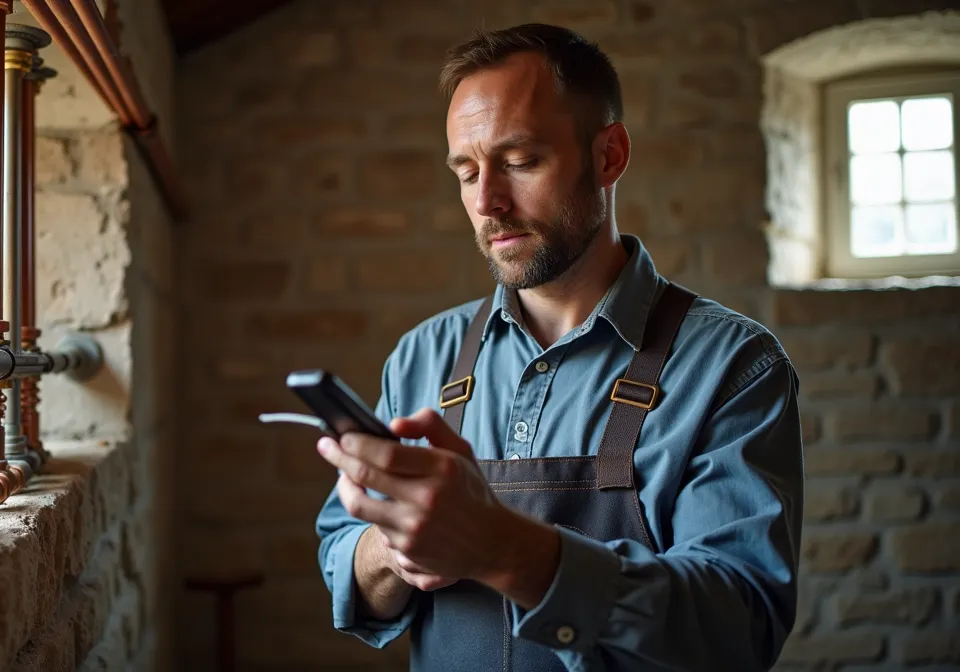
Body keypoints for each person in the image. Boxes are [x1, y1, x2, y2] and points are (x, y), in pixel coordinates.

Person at [312, 23, 804, 672]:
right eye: (466, 172)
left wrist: (502, 548)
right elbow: (343, 560)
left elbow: (737, 626)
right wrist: (391, 549)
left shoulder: (734, 367)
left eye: (519, 162)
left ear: (609, 157)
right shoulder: (421, 357)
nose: (487, 202)